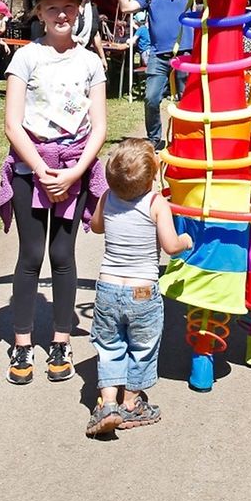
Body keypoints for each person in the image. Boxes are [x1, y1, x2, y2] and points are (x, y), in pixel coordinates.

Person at [0, 0, 107, 386]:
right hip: (31, 166)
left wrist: (75, 173)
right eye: (52, 8)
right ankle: (22, 342)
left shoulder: (90, 63)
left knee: (63, 255)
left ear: (79, 11)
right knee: (29, 256)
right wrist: (41, 171)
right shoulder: (26, 58)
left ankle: (61, 339)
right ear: (39, 13)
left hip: (74, 167)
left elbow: (98, 126)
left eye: (69, 7)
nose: (62, 14)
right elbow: (12, 123)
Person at [85, 138, 192, 435]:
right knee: (142, 347)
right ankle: (131, 404)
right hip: (142, 291)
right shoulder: (157, 203)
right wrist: (186, 241)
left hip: (107, 288)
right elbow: (171, 246)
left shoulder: (108, 197)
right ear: (153, 176)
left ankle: (107, 403)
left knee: (109, 345)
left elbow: (95, 226)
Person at [113, 0, 194, 149]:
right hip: (158, 54)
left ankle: (186, 139)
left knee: (186, 99)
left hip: (184, 52)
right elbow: (126, 7)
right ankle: (154, 139)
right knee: (151, 97)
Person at [71, 0, 109, 71]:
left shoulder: (93, 8)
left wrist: (102, 58)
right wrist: (72, 38)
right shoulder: (67, 6)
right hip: (65, 54)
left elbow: (95, 34)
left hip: (83, 56)